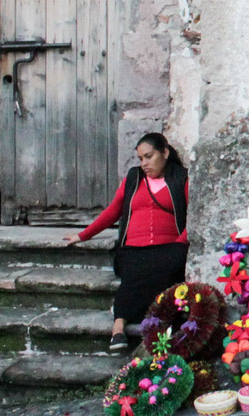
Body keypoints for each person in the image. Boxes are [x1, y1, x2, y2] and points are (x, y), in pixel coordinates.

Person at [64, 133, 190, 351]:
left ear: (165, 153)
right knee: (133, 272)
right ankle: (118, 328)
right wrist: (83, 235)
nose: (144, 164)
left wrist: (180, 243)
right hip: (133, 248)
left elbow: (194, 216)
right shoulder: (133, 178)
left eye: (149, 157)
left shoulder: (181, 178)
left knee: (167, 268)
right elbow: (113, 211)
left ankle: (159, 324)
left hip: (169, 247)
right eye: (140, 159)